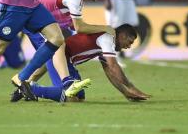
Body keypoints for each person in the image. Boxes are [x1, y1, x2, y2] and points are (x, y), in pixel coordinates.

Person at [22, 0, 115, 93]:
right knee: (57, 44)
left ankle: (25, 85)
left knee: (50, 52)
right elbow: (79, 27)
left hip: (33, 17)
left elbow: (72, 25)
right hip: (31, 18)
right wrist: (105, 28)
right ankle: (66, 82)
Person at [12, 24, 151, 102]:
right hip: (58, 59)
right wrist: (131, 87)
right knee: (70, 97)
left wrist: (125, 93)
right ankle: (31, 88)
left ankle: (31, 88)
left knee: (80, 97)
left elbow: (109, 71)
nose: (129, 46)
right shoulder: (107, 38)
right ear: (121, 35)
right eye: (129, 42)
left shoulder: (106, 44)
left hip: (68, 63)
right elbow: (114, 66)